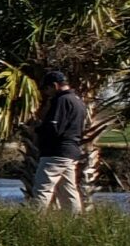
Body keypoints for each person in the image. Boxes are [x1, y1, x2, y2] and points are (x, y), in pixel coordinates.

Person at [32, 70, 91, 213]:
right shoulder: (78, 101)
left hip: (56, 153)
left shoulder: (62, 100)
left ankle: (34, 222)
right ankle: (74, 222)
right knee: (68, 191)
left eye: (46, 89)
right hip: (71, 152)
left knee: (42, 188)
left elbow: (54, 128)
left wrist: (36, 130)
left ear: (54, 85)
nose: (46, 93)